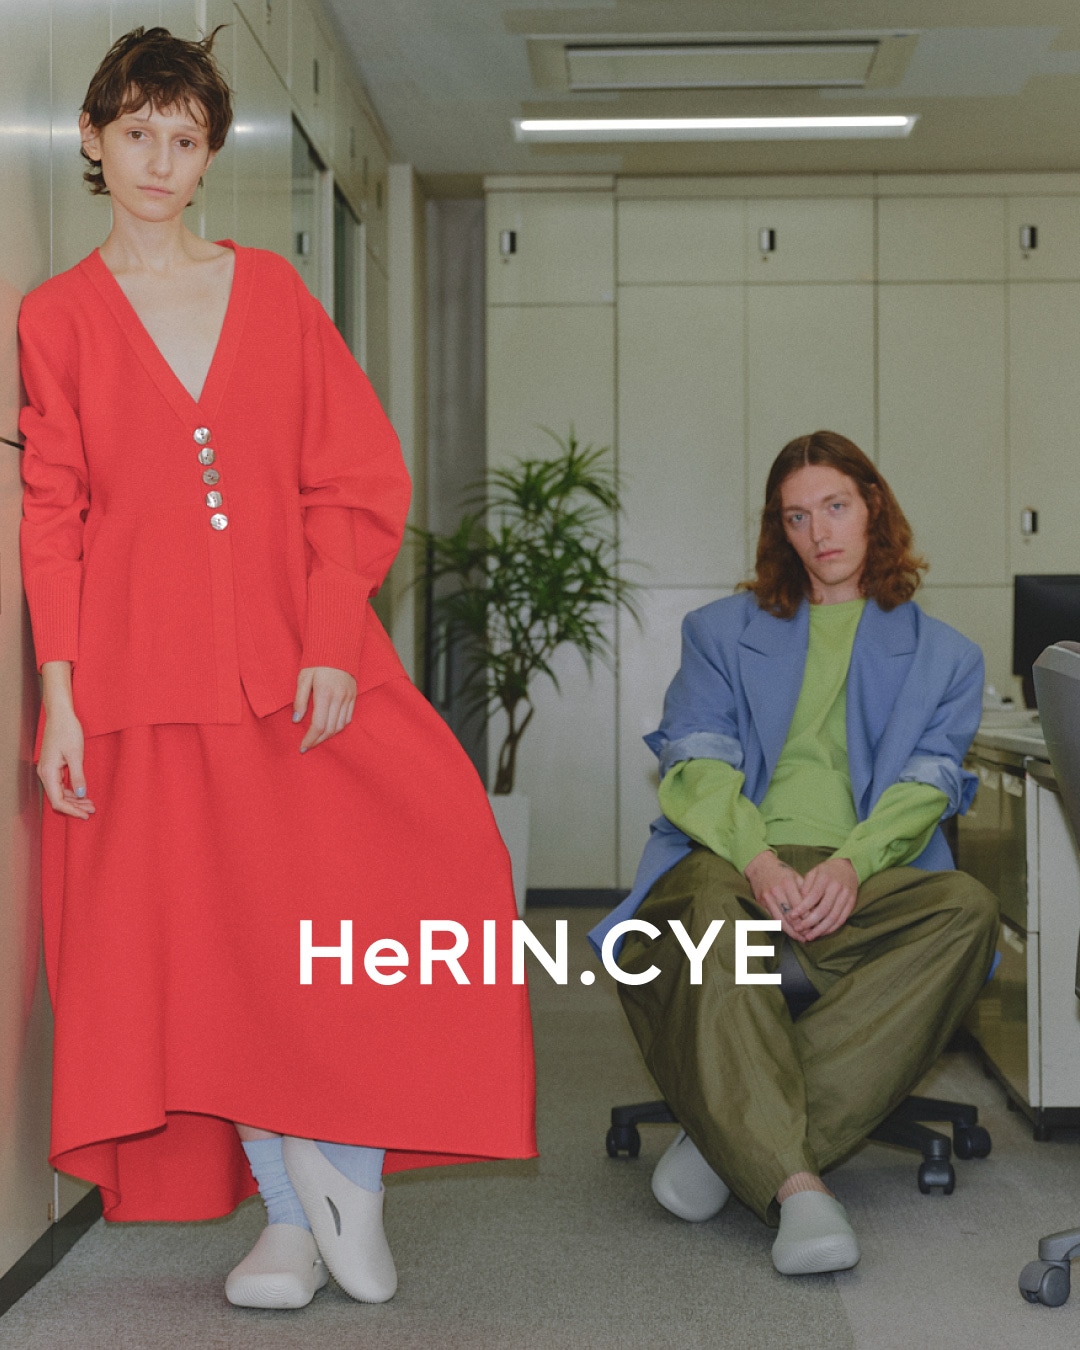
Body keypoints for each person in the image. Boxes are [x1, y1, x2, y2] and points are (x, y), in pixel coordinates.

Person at [19, 26, 535, 1311]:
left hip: (296, 672)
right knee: (212, 953)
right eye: (136, 132)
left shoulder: (273, 294)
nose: (159, 159)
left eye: (185, 138)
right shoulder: (56, 318)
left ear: (210, 156)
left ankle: (343, 1166)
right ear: (93, 141)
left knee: (412, 876)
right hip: (139, 693)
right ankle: (293, 1223)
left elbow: (351, 478)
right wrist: (61, 703)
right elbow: (53, 516)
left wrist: (329, 639)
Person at [589, 430, 998, 1276]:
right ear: (780, 529)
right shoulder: (719, 632)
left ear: (873, 505)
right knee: (708, 907)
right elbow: (696, 770)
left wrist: (851, 864)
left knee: (968, 909)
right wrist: (761, 861)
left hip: (869, 871)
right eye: (797, 516)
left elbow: (924, 789)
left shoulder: (948, 657)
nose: (820, 532)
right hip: (732, 857)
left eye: (836, 507)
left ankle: (726, 1137)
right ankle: (798, 1186)